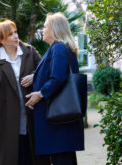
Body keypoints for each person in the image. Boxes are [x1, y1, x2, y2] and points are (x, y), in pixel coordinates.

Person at [0, 20, 50, 165]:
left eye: (15, 32)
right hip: (7, 118)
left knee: (33, 157)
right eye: (10, 34)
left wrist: (34, 75)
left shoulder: (30, 51)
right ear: (1, 39)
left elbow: (46, 72)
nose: (15, 36)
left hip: (32, 113)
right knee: (11, 157)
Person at [25, 12, 85, 165]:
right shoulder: (60, 47)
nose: (42, 30)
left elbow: (58, 77)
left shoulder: (58, 48)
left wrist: (40, 94)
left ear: (54, 29)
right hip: (61, 118)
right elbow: (57, 72)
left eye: (45, 27)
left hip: (59, 119)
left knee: (62, 159)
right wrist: (36, 77)